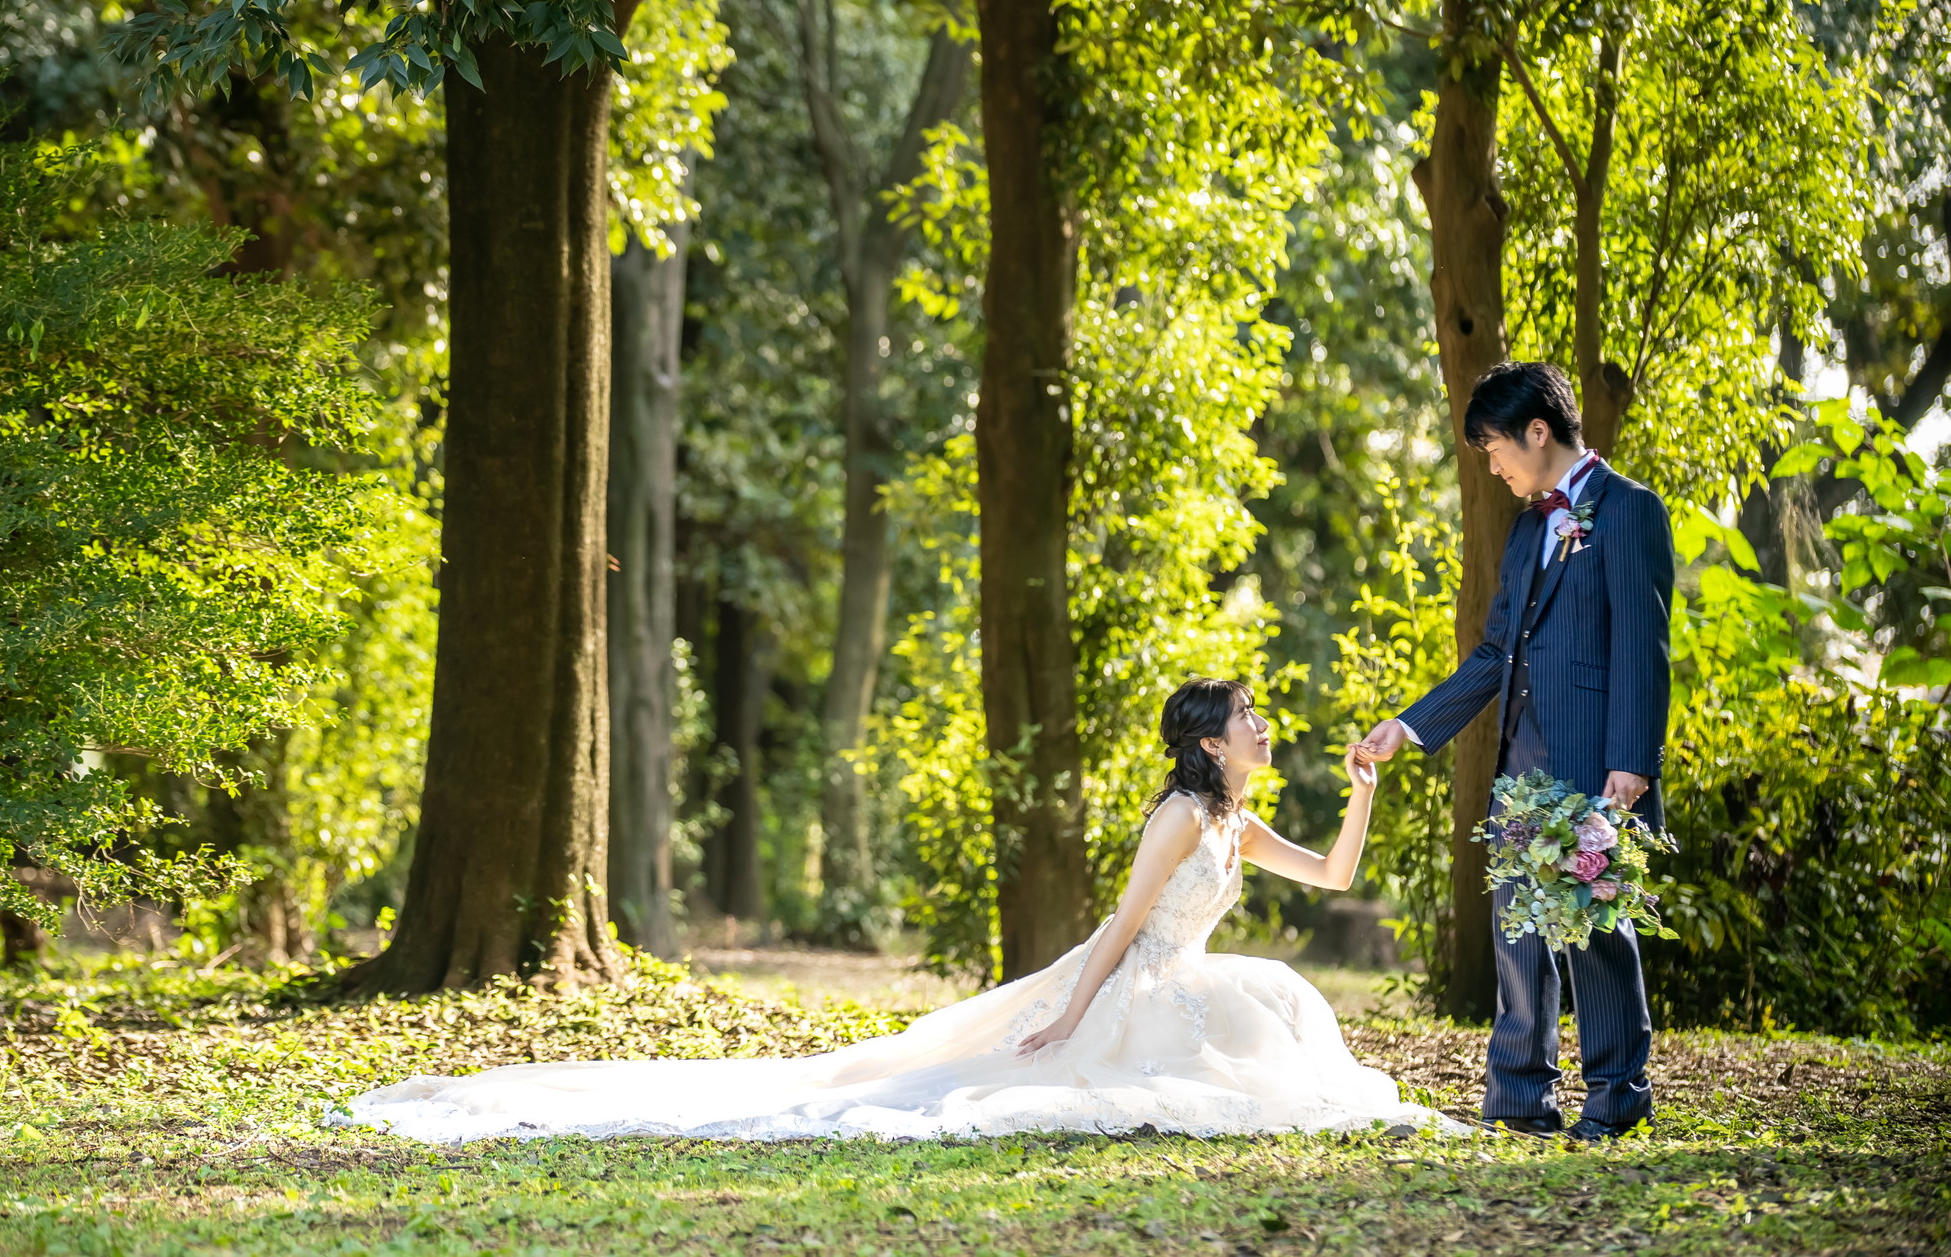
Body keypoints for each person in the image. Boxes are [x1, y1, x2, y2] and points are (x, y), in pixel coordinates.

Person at [339, 678, 1450, 1143]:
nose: (1263, 728)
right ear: (1212, 743)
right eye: (1248, 720)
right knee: (981, 1077)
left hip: (1187, 979)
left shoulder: (1238, 825)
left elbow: (1337, 878)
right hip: (1134, 979)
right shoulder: (1178, 819)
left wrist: (1362, 792)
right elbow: (1120, 926)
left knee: (1278, 1002)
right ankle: (1070, 1039)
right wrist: (1072, 1012)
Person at [1355, 360, 1672, 1144]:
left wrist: (1628, 768)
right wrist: (1412, 725)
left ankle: (1616, 1102)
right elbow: (1498, 652)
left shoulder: (1630, 511)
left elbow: (1643, 645)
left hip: (1599, 774)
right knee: (1519, 940)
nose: (1492, 467)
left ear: (1539, 431)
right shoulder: (1531, 526)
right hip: (1521, 773)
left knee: (1597, 937)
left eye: (1496, 449)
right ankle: (1520, 1103)